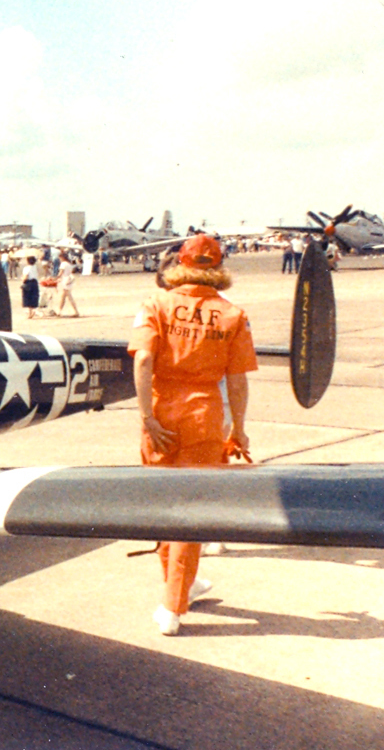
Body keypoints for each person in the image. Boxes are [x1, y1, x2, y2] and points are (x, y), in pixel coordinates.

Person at [128, 234, 257, 636]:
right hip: (204, 416)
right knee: (192, 508)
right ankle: (174, 603)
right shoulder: (233, 315)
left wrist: (147, 417)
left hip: (162, 412)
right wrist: (238, 429)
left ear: (180, 263)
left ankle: (179, 589)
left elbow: (145, 358)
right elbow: (236, 381)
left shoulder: (155, 303)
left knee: (166, 506)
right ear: (217, 268)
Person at [20, 255, 40, 320]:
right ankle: (33, 310)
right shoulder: (35, 267)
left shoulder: (26, 268)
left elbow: (25, 277)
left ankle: (30, 313)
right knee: (34, 296)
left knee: (27, 297)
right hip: (35, 282)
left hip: (28, 283)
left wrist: (22, 279)